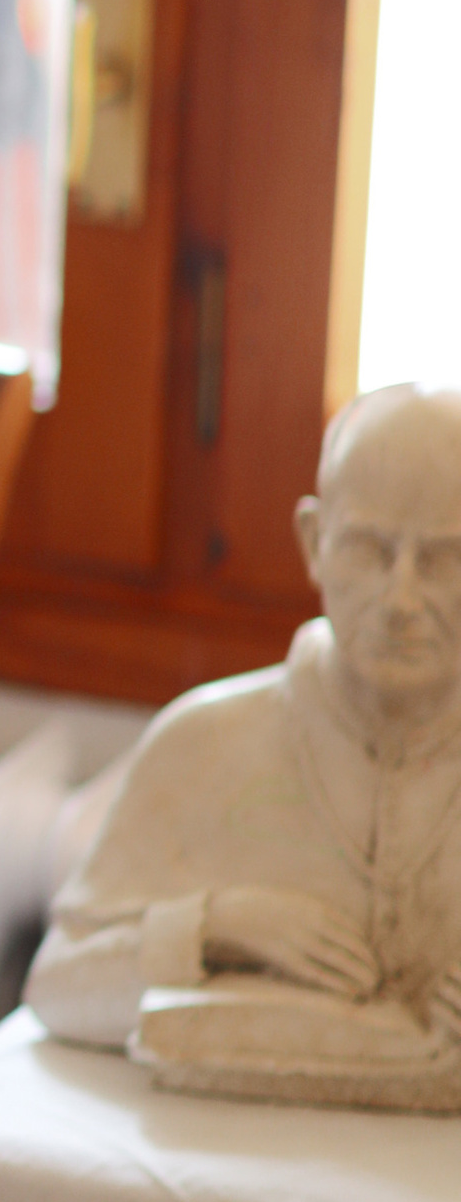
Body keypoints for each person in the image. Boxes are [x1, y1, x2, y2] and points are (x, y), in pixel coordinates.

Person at [27, 383, 461, 1063]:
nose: (400, 599)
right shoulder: (204, 744)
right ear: (314, 542)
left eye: (443, 559)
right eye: (368, 550)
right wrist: (216, 927)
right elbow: (59, 987)